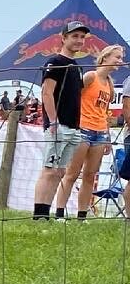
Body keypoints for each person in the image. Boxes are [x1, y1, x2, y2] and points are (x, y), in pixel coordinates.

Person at [53, 45, 124, 219]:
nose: (120, 61)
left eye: (121, 58)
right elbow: (73, 97)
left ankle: (82, 215)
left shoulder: (110, 84)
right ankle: (60, 213)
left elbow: (104, 112)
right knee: (72, 173)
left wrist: (107, 135)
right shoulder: (90, 77)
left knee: (90, 175)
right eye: (117, 57)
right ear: (105, 57)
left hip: (100, 132)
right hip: (83, 128)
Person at [32, 21, 91, 219]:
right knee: (49, 170)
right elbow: (47, 93)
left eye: (82, 37)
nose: (79, 40)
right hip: (59, 125)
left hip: (74, 126)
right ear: (63, 38)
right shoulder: (55, 62)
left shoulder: (77, 66)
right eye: (74, 36)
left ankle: (46, 213)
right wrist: (53, 121)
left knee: (60, 171)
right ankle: (39, 215)